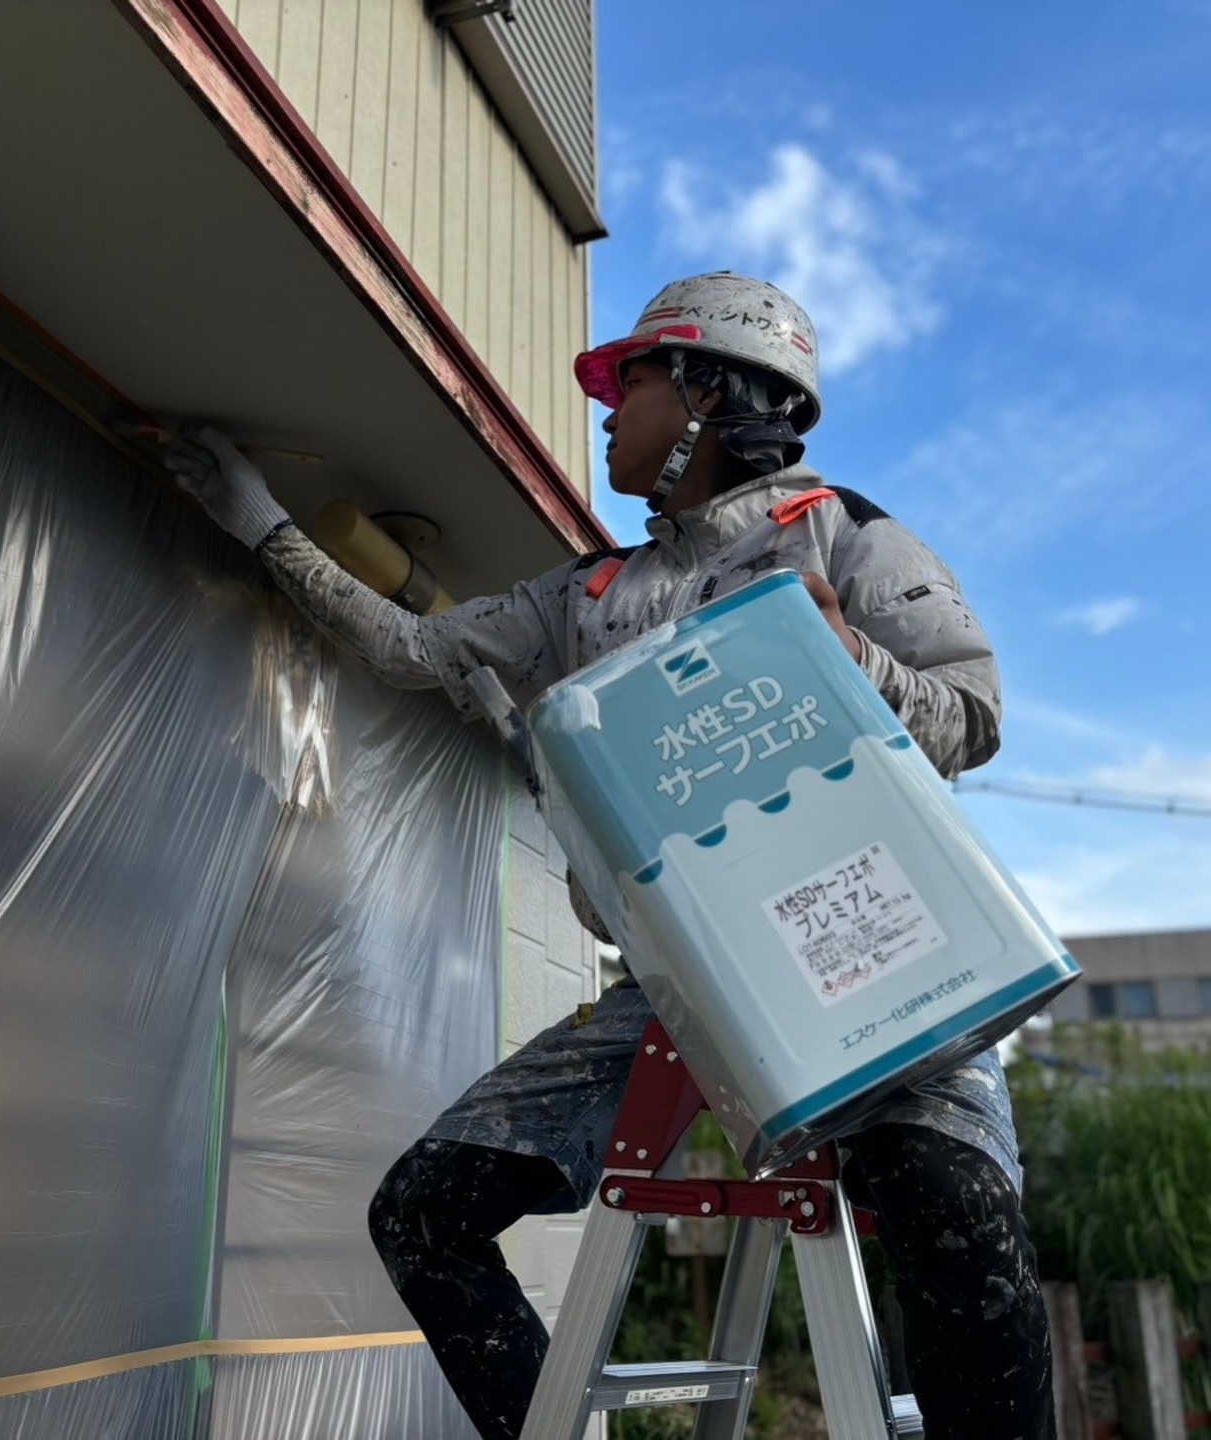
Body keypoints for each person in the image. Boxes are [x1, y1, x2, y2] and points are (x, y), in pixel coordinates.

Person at [166, 271, 1053, 1440]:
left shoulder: (839, 531)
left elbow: (972, 718)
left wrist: (855, 664)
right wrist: (259, 521)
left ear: (706, 388)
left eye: (624, 380)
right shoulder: (587, 596)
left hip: (869, 960)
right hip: (680, 989)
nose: (603, 406)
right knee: (423, 1216)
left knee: (959, 1209)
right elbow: (411, 650)